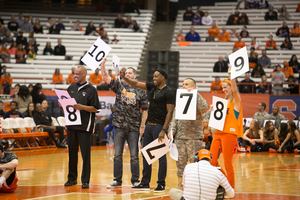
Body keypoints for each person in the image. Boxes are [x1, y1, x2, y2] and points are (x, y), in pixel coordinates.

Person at [120, 69, 175, 192]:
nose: (154, 79)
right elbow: (135, 84)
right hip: (149, 126)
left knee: (161, 156)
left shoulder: (169, 92)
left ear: (163, 77)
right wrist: (125, 78)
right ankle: (145, 182)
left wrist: (163, 129)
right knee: (146, 154)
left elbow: (170, 112)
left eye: (156, 77)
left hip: (159, 127)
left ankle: (161, 183)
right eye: (153, 76)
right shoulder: (152, 87)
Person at [101, 59, 148, 188]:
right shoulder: (120, 86)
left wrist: (142, 126)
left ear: (135, 75)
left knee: (134, 156)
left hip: (134, 127)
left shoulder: (141, 90)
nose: (127, 74)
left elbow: (145, 110)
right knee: (117, 155)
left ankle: (135, 181)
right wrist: (102, 65)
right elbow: (106, 77)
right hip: (119, 126)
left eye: (130, 73)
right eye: (126, 72)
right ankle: (117, 180)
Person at [64, 66, 101, 189]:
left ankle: (85, 180)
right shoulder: (71, 88)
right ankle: (72, 178)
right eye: (74, 74)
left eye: (78, 74)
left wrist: (83, 107)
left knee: (85, 154)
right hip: (71, 125)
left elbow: (95, 108)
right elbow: (68, 107)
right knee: (72, 153)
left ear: (84, 74)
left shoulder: (91, 89)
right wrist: (62, 104)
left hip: (85, 126)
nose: (75, 76)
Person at [169, 78, 208, 189]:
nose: (184, 86)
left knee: (194, 162)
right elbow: (175, 118)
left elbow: (204, 107)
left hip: (194, 138)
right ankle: (180, 184)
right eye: (183, 85)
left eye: (187, 84)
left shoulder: (196, 98)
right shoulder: (181, 99)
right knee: (180, 162)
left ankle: (195, 186)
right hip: (180, 137)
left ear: (193, 86)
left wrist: (195, 94)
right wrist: (172, 130)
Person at [210, 67, 243, 189]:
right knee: (212, 162)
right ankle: (225, 182)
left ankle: (231, 189)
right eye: (222, 88)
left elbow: (234, 89)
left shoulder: (236, 101)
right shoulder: (222, 103)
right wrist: (213, 111)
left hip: (229, 133)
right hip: (218, 133)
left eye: (226, 87)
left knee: (228, 163)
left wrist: (231, 74)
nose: (224, 90)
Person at [169, 149, 235, 200]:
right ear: (210, 160)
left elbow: (184, 186)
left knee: (172, 191)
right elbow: (231, 194)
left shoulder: (188, 167)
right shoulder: (218, 172)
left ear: (196, 158)